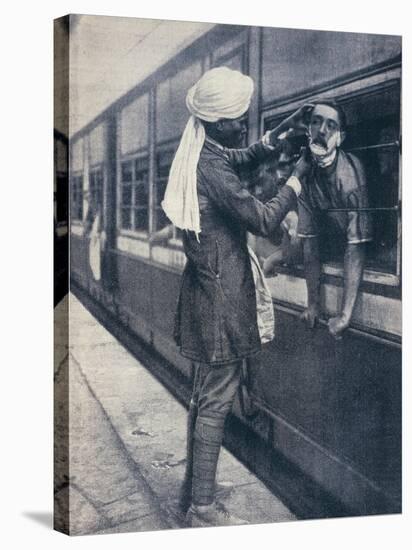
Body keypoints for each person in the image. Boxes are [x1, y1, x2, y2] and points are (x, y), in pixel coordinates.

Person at [161, 67, 308, 527]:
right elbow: (263, 220)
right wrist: (296, 181)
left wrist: (273, 140)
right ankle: (202, 509)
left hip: (205, 293)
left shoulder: (200, 151)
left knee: (204, 396)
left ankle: (194, 489)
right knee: (218, 400)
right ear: (218, 120)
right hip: (222, 300)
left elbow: (236, 157)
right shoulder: (212, 168)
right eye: (238, 119)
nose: (243, 124)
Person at [290, 100, 373, 338]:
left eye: (331, 125)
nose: (322, 131)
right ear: (308, 130)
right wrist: (313, 304)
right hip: (329, 242)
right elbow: (310, 242)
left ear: (341, 137)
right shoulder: (304, 170)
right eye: (316, 122)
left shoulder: (351, 176)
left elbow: (356, 248)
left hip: (354, 246)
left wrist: (345, 315)